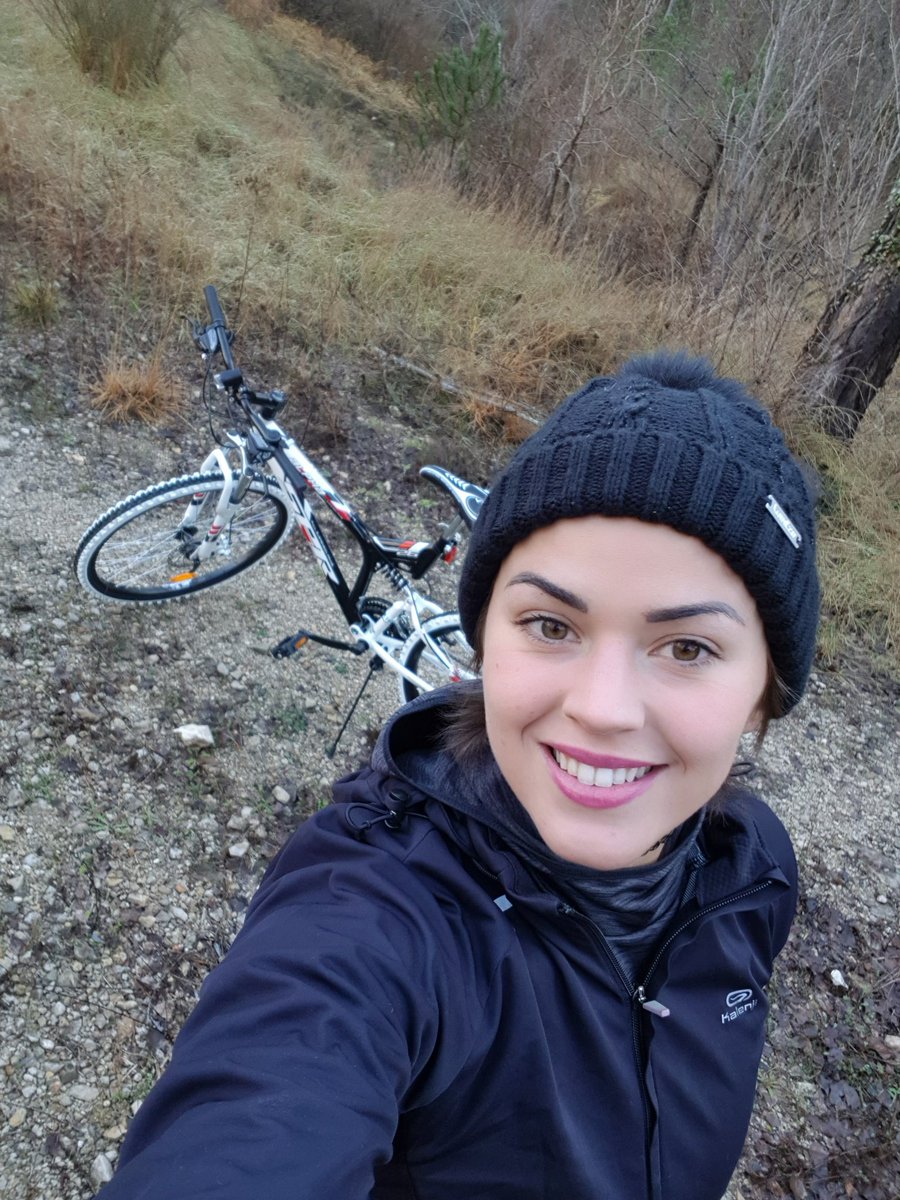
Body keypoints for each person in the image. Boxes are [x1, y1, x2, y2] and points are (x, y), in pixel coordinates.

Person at [98, 351, 819, 1200]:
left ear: (764, 696)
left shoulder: (753, 872)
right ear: (484, 642)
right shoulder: (377, 914)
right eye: (550, 625)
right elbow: (269, 1103)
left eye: (688, 647)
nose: (602, 708)